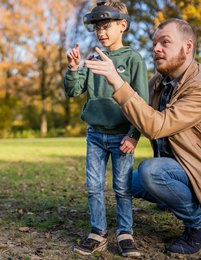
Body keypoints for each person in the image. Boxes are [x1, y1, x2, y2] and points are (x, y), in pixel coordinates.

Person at [84, 18, 201, 256]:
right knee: (125, 182)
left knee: (151, 172)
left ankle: (199, 227)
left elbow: (156, 126)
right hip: (181, 167)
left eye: (165, 42)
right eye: (154, 43)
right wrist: (129, 134)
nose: (156, 48)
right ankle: (171, 197)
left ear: (187, 47)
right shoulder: (159, 82)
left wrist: (116, 80)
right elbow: (138, 111)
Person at [64, 0, 148, 257]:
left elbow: (141, 102)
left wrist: (134, 135)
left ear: (122, 25)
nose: (101, 31)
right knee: (93, 186)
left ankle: (125, 234)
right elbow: (74, 91)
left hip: (123, 136)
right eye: (98, 27)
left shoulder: (133, 59)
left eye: (107, 25)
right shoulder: (92, 59)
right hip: (95, 136)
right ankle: (97, 232)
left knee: (122, 188)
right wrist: (74, 69)